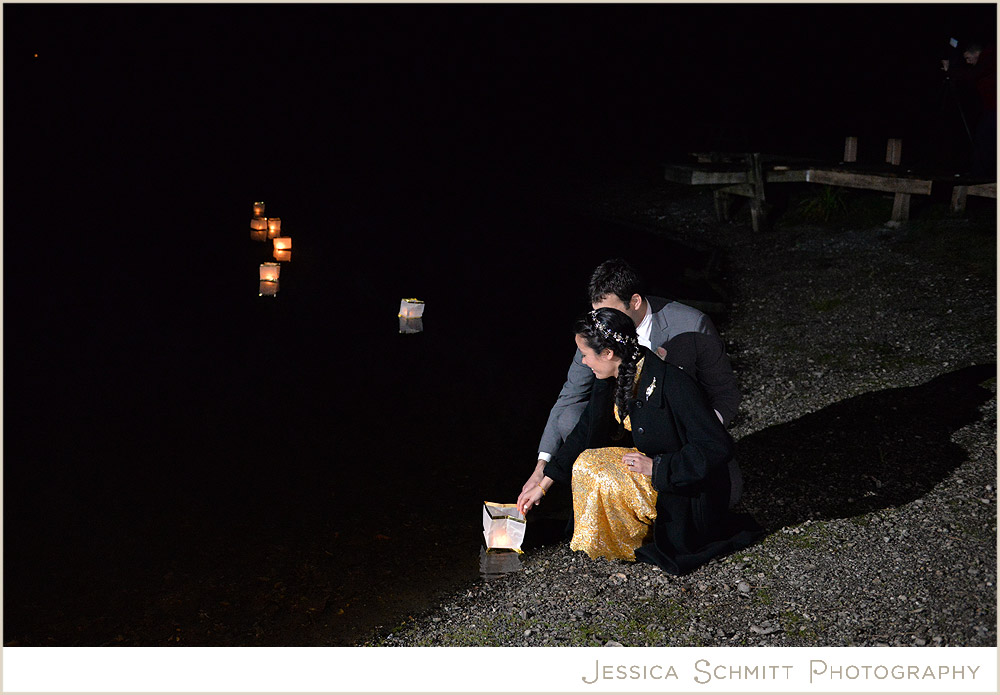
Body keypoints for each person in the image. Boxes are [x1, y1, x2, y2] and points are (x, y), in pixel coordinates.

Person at [516, 308, 761, 574]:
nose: (584, 362)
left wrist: (658, 467)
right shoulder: (612, 377)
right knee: (586, 462)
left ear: (608, 354)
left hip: (685, 491)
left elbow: (717, 447)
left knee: (592, 466)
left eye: (586, 355)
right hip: (655, 472)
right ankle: (604, 543)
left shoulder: (673, 383)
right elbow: (582, 433)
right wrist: (543, 484)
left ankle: (632, 541)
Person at [522, 258, 744, 505]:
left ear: (635, 302)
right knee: (570, 418)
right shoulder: (598, 332)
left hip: (680, 435)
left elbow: (725, 393)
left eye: (609, 312)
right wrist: (543, 468)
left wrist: (692, 443)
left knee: (723, 497)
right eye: (597, 314)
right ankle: (600, 501)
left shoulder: (692, 327)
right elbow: (570, 397)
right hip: (623, 432)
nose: (601, 321)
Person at [942, 41, 997, 178]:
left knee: (984, 138)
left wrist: (951, 71)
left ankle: (979, 176)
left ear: (977, 53)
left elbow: (973, 74)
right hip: (991, 109)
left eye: (968, 58)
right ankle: (981, 174)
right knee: (984, 138)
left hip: (995, 110)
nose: (968, 62)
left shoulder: (990, 56)